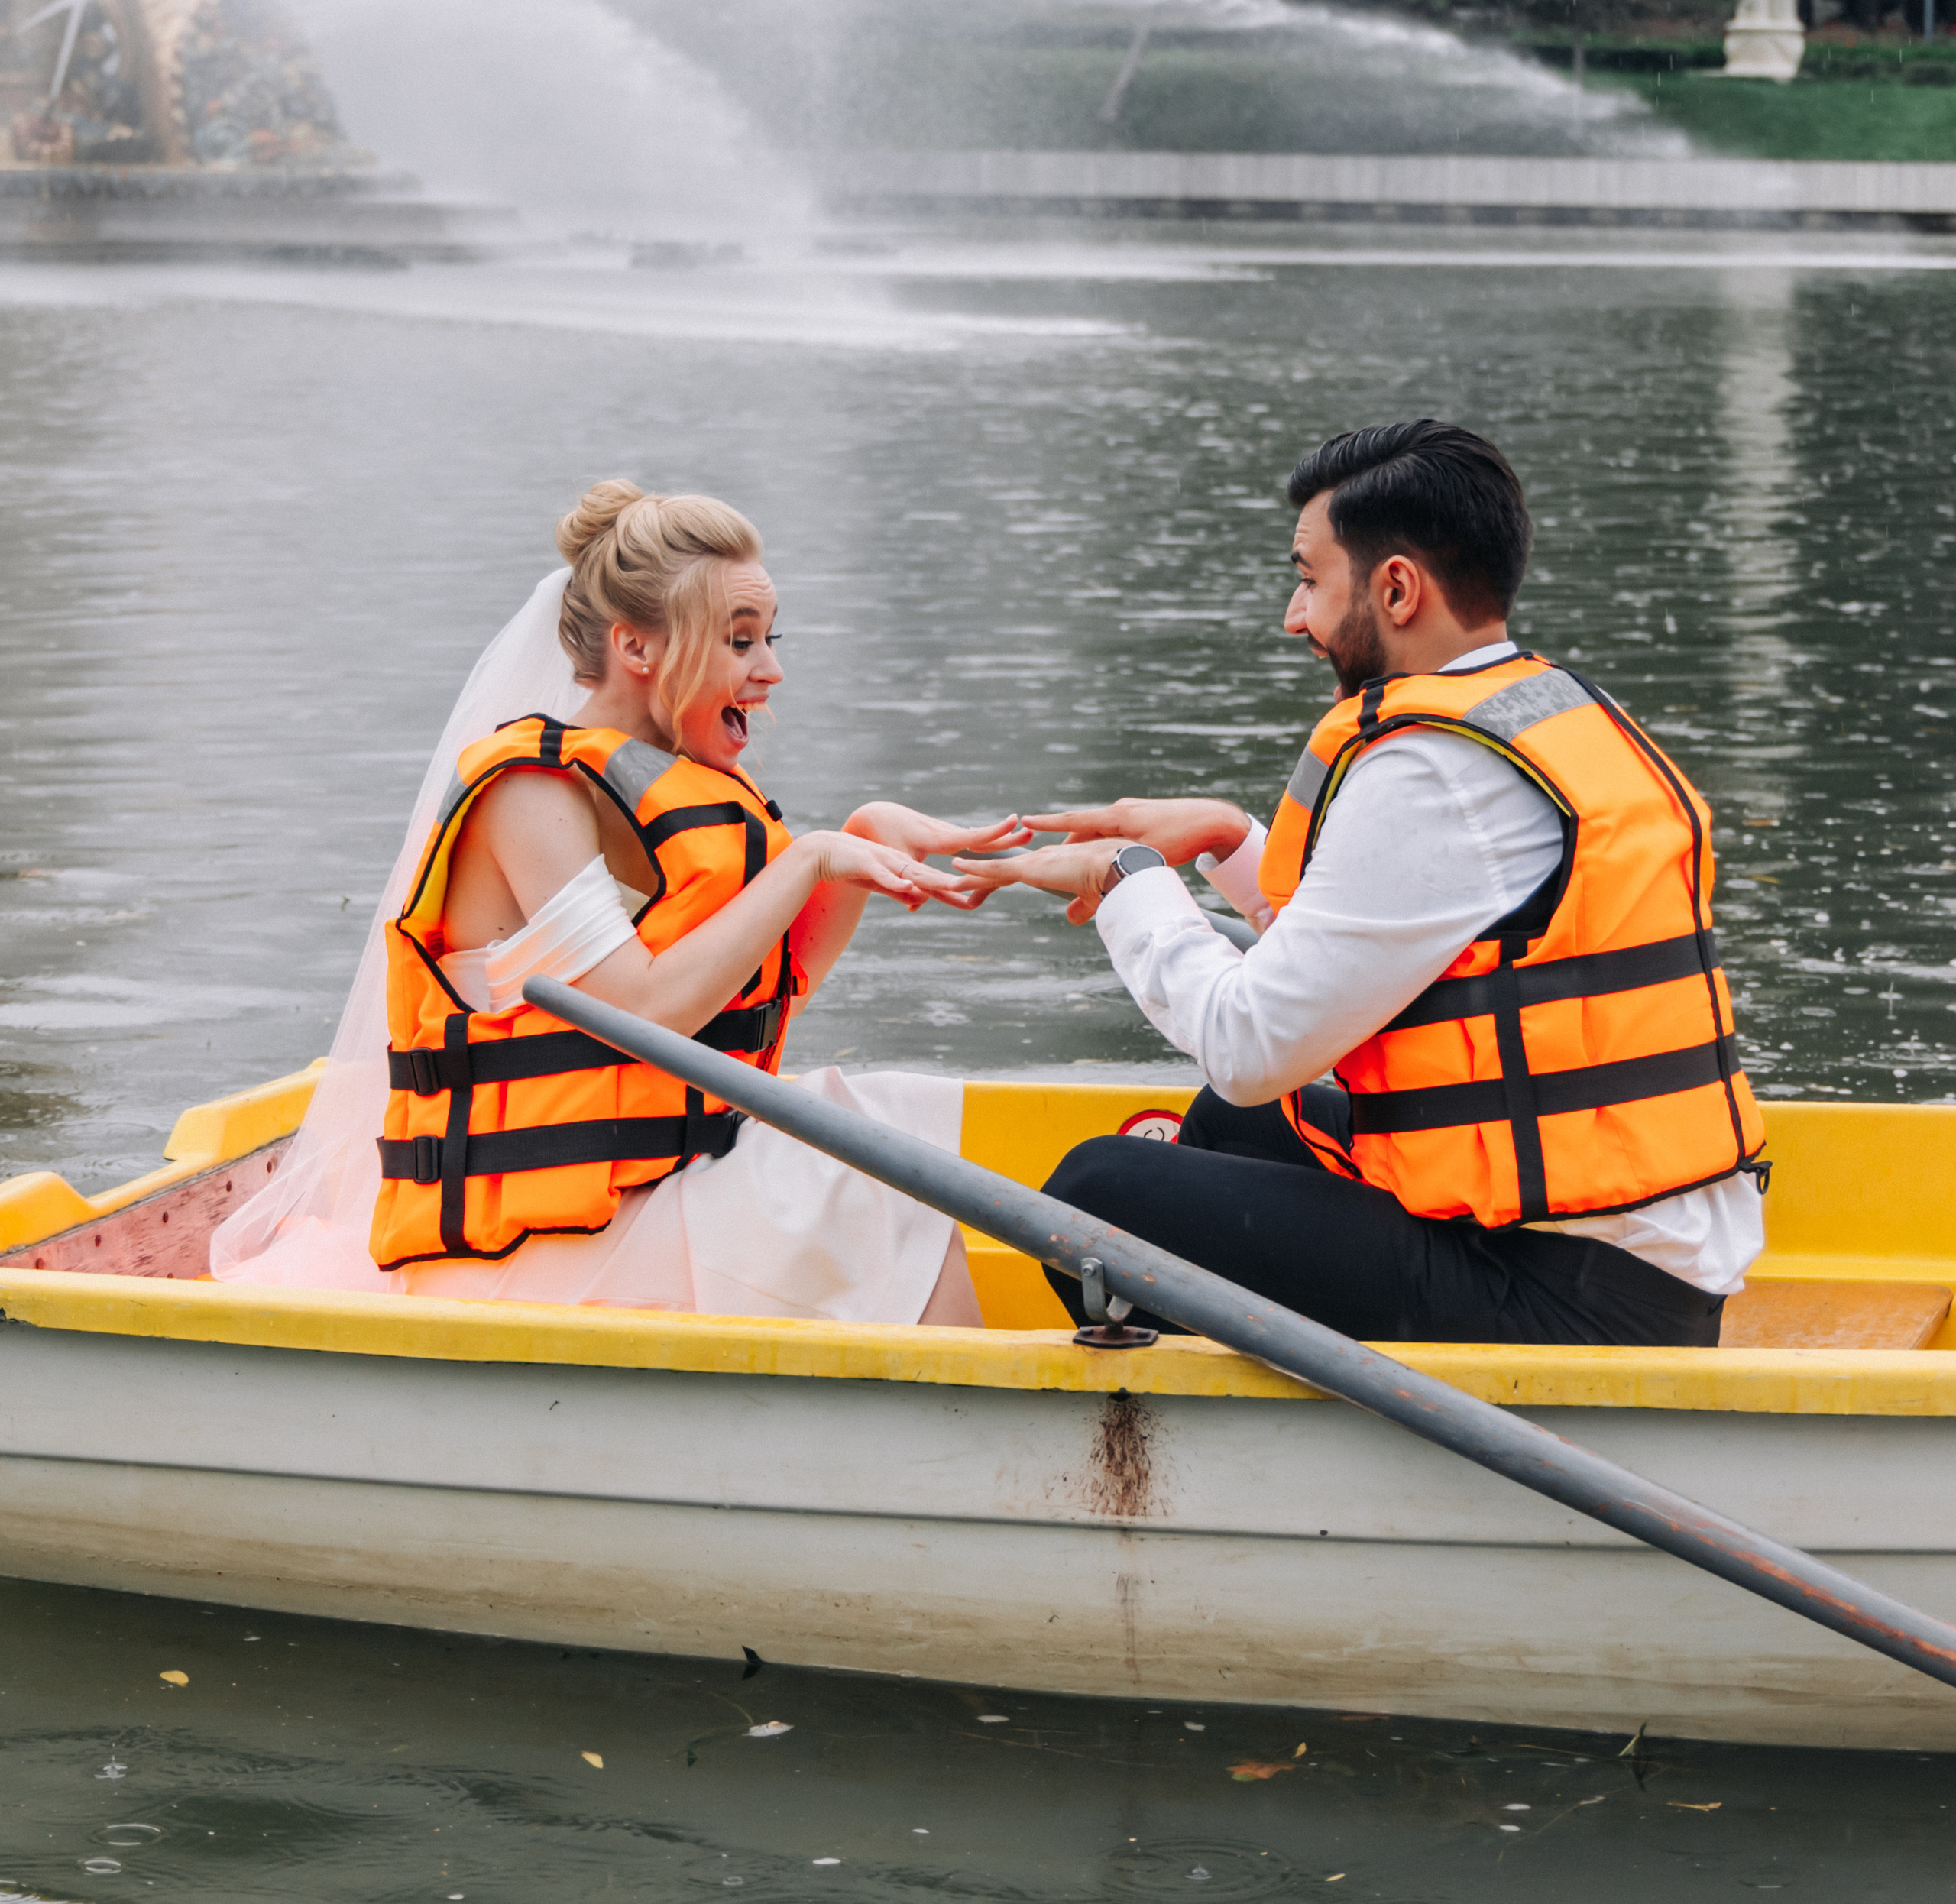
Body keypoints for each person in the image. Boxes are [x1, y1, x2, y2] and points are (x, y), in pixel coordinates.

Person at [957, 420, 1767, 1349]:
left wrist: (1125, 878)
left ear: (1395, 588)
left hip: (1566, 1296)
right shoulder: (1548, 709)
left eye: (1309, 579)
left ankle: (1218, 1426)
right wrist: (1228, 838)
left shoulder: (1432, 771)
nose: (1292, 616)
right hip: (1633, 1258)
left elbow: (1248, 1041)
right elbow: (1390, 942)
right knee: (1235, 1119)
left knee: (1095, 1196)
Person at [214, 482, 1024, 1324]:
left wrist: (864, 840)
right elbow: (647, 1010)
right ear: (636, 645)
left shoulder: (672, 790)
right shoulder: (530, 794)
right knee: (871, 1185)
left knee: (881, 1141)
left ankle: (955, 1394)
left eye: (768, 638)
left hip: (650, 1182)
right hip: (522, 1251)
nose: (771, 670)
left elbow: (759, 998)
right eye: (739, 640)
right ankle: (974, 1400)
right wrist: (813, 856)